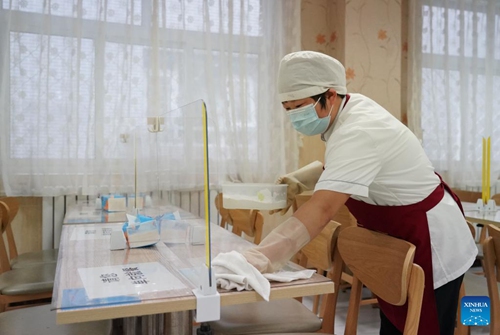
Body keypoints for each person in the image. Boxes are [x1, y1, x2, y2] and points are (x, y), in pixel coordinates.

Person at [241, 51, 477, 335]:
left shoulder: (360, 129)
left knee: (425, 326)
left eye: (299, 107)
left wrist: (261, 257)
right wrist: (299, 181)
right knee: (394, 324)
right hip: (399, 239)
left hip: (432, 241)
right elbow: (348, 164)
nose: (293, 116)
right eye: (287, 107)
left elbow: (323, 208)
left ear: (329, 96)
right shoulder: (349, 110)